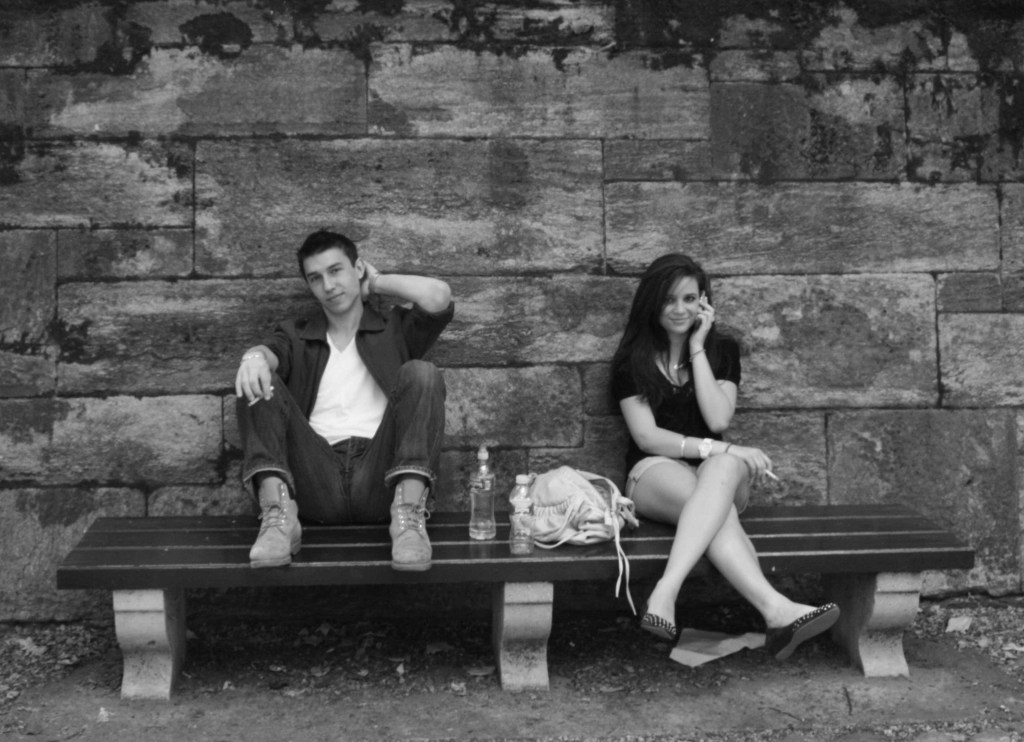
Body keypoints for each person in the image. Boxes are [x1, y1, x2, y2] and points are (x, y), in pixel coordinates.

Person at [610, 253, 839, 660]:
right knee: (719, 481)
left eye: (689, 298)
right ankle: (777, 611)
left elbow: (717, 418)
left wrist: (697, 348)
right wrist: (724, 449)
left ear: (704, 302)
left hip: (720, 478)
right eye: (669, 300)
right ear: (652, 303)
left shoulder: (722, 351)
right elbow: (648, 438)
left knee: (721, 471)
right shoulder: (633, 360)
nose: (680, 309)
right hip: (655, 475)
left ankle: (665, 592)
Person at [234, 230, 453, 572]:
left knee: (422, 373)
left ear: (357, 268)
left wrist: (377, 283)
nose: (328, 285)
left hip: (382, 479)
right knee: (256, 377)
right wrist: (255, 357)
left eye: (336, 270)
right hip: (313, 478)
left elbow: (438, 297)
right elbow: (270, 353)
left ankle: (409, 518)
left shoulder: (393, 328)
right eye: (316, 278)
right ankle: (279, 519)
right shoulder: (297, 334)